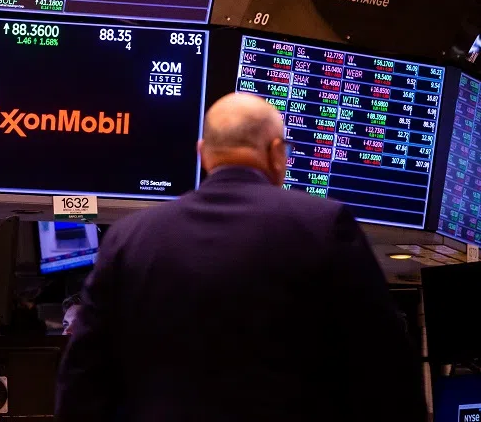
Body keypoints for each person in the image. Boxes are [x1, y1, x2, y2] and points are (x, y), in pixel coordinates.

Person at [55, 93, 426, 422]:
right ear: (277, 152)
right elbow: (384, 370)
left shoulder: (130, 236)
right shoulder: (323, 226)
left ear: (202, 154)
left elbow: (83, 380)